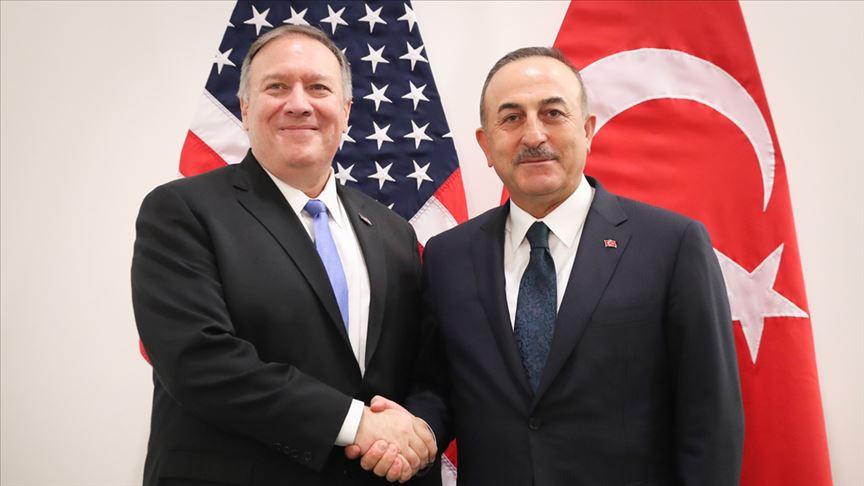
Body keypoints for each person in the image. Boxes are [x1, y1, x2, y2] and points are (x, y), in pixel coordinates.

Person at [356, 47, 744, 485]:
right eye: (511, 118)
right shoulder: (449, 256)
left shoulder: (671, 245)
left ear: (587, 130)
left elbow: (710, 418)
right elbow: (439, 385)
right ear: (486, 144)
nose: (533, 135)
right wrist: (418, 431)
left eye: (553, 113)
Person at [132, 25, 437, 486]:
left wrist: (419, 433)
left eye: (318, 88)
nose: (299, 104)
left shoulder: (394, 233)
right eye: (276, 87)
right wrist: (357, 423)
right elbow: (198, 361)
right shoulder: (182, 211)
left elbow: (422, 365)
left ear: (346, 111)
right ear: (245, 108)